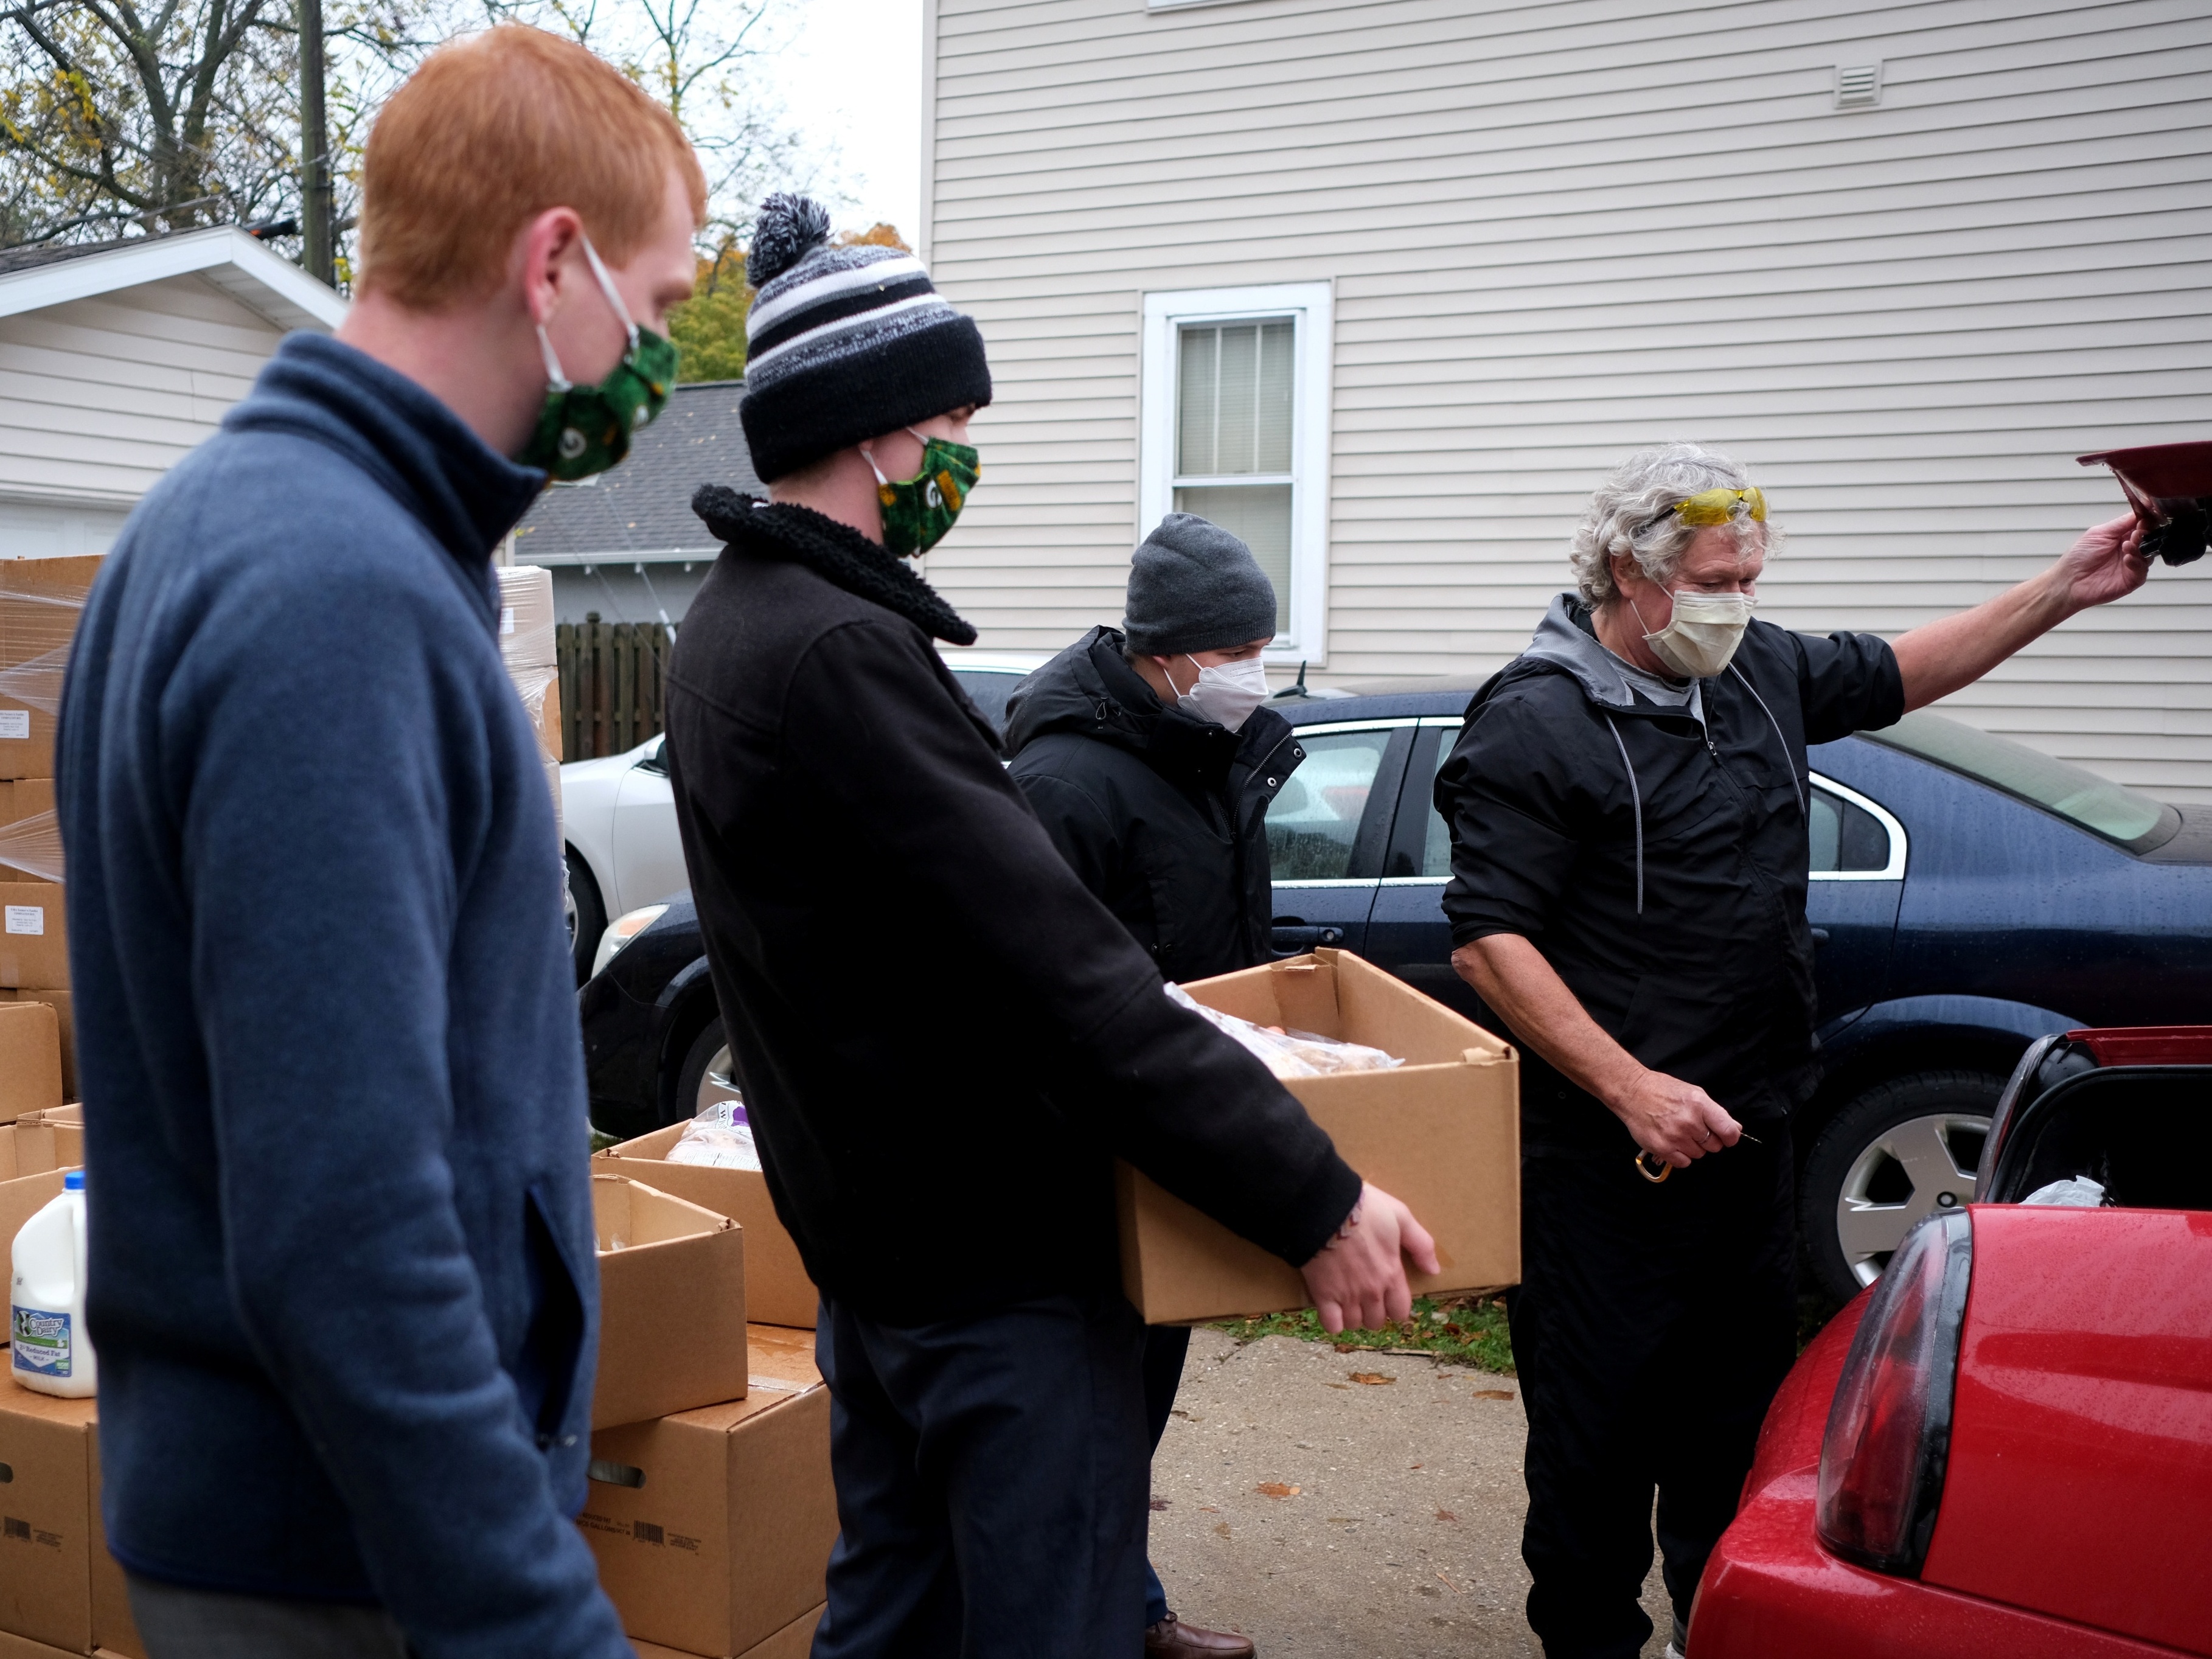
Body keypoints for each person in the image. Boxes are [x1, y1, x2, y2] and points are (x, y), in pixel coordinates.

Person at [661, 194, 1437, 1659]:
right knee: (1043, 1617)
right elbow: (1066, 975)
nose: (961, 451)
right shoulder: (837, 654)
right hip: (987, 1265)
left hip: (875, 1243)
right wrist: (1314, 1198)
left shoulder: (732, 625)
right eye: (950, 416)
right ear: (874, 426)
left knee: (892, 1604)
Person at [55, 29, 701, 1658]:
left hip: (313, 1532)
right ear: (554, 262)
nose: (665, 362)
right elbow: (344, 1217)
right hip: (339, 1559)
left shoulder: (241, 530)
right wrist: (533, 1619)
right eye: (667, 304)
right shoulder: (331, 590)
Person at [1433, 441, 2148, 1659]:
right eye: (1717, 579)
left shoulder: (1752, 669)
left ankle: (1715, 1629)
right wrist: (1630, 1086)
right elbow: (1490, 942)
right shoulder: (1537, 718)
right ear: (1629, 570)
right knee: (1596, 1442)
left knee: (1738, 1434)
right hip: (1608, 1168)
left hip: (1750, 1142)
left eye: (1752, 578)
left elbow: (1893, 673)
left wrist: (2061, 587)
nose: (1740, 603)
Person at [1002, 513, 1300, 1659]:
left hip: (1177, 1129)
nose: (1253, 674)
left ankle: (1123, 1604)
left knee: (1135, 1404)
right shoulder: (1067, 782)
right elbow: (1031, 987)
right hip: (1090, 1150)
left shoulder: (1203, 753)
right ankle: (1093, 1618)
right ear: (1170, 653)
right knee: (1088, 1411)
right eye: (1238, 654)